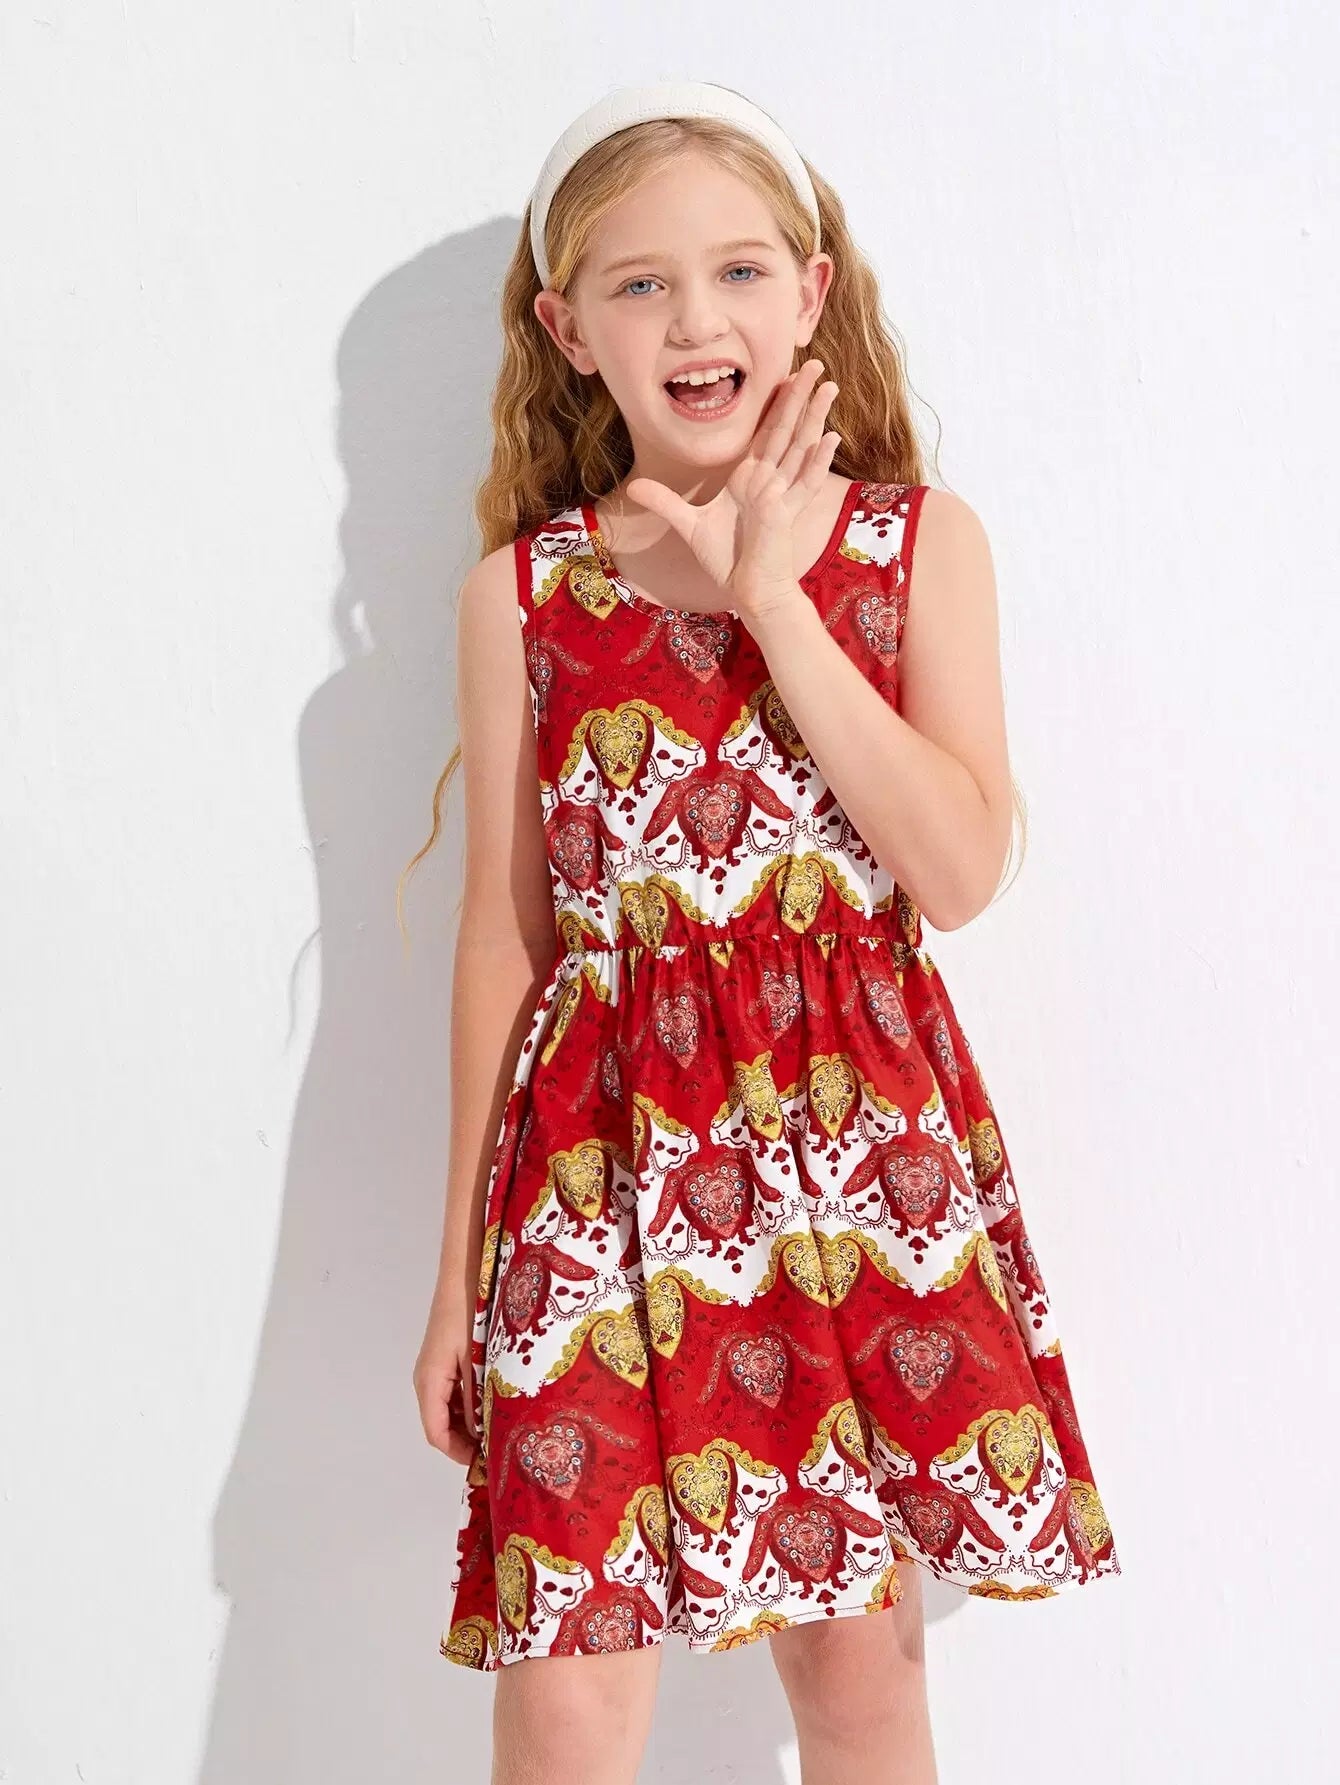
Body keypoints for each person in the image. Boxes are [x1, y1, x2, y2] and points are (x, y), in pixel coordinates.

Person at [408, 80, 1121, 1785]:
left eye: (736, 271)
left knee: (857, 1674)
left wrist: (773, 600)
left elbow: (956, 866)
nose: (695, 319)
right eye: (640, 284)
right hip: (598, 1165)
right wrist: (456, 1280)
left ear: (809, 294)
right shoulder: (526, 596)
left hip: (849, 1160)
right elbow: (506, 942)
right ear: (568, 329)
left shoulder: (914, 549)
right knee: (565, 1685)